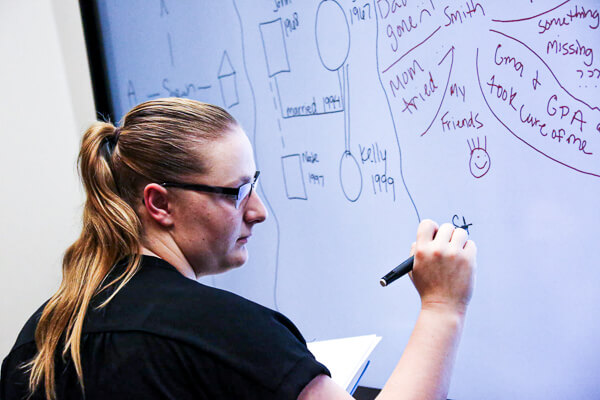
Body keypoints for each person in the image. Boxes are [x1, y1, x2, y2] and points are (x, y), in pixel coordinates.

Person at [0, 98, 476, 400]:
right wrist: (442, 307)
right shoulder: (224, 334)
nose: (258, 211)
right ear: (159, 203)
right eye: (235, 192)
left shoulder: (44, 333)